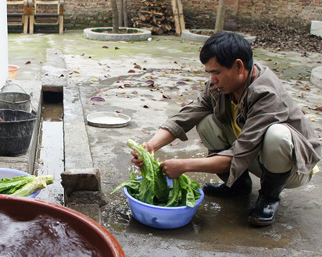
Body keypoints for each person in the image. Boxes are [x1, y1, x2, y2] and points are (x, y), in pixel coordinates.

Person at [132, 31, 321, 227]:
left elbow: (241, 153)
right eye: (209, 73)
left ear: (239, 66)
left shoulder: (266, 94)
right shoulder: (220, 86)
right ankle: (238, 186)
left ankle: (269, 198)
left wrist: (184, 165)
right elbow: (186, 116)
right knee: (205, 121)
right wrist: (150, 146)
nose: (212, 80)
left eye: (217, 72)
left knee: (277, 135)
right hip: (254, 153)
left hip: (292, 167)